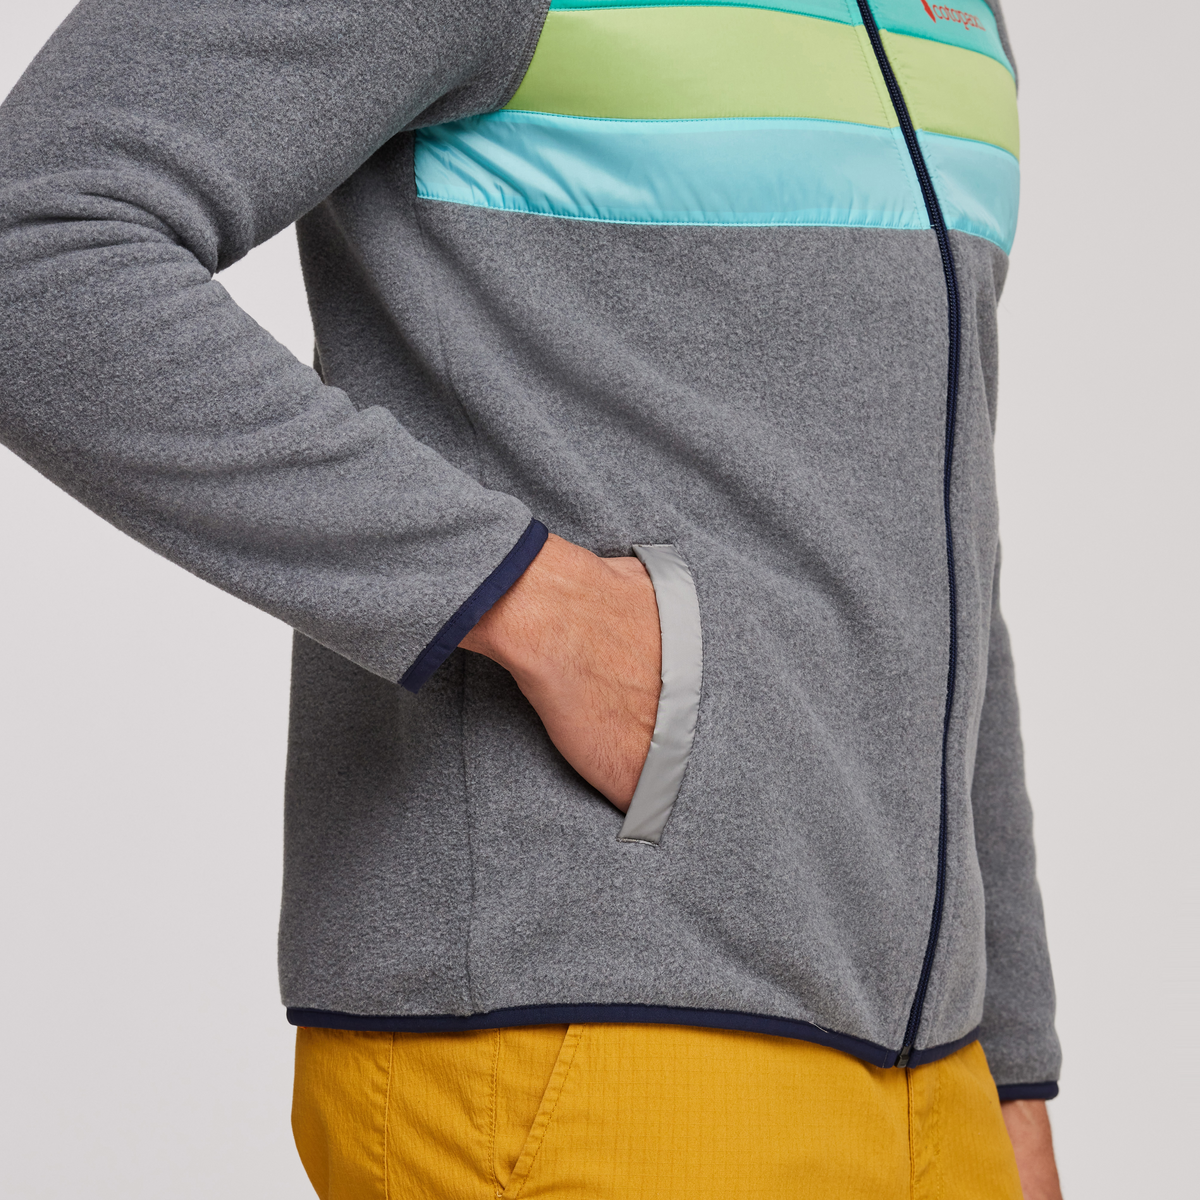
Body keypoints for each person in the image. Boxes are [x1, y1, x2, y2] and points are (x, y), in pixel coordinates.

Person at [0, 0, 1063, 1195]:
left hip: (939, 1073)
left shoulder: (958, 18)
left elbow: (935, 544)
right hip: (587, 1014)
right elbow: (33, 235)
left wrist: (1011, 1069)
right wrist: (536, 602)